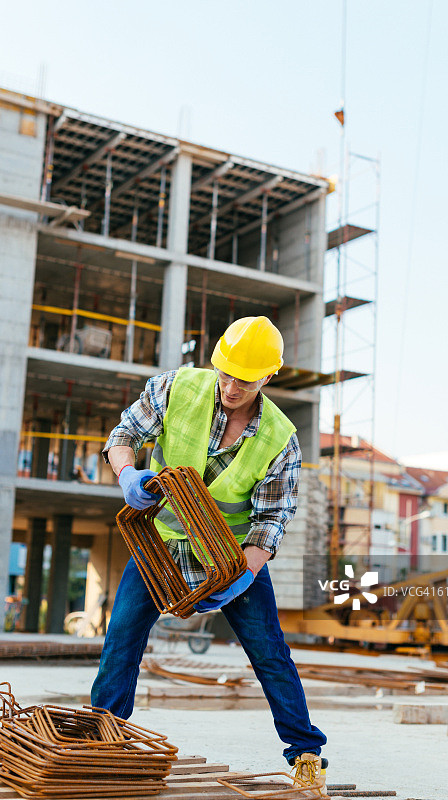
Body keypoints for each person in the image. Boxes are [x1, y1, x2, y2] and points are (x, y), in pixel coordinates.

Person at [91, 316, 328, 794]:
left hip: (232, 559)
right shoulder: (177, 388)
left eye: (244, 379)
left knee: (269, 654)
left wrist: (241, 577)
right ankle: (105, 742)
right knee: (121, 641)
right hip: (159, 546)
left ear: (268, 376)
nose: (231, 386)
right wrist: (127, 475)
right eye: (225, 373)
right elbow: (123, 437)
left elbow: (271, 520)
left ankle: (305, 754)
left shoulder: (280, 438)